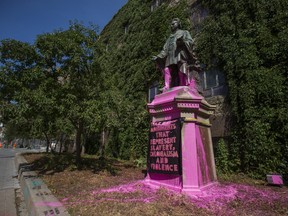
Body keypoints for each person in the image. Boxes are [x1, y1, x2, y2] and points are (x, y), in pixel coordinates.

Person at [152, 18, 200, 92]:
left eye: (173, 24)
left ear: (178, 24)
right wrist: (158, 56)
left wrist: (182, 42)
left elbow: (190, 42)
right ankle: (167, 86)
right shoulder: (169, 38)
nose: (171, 25)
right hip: (170, 56)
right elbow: (165, 49)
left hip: (180, 54)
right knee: (166, 69)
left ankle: (182, 84)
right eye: (171, 24)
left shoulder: (184, 32)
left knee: (181, 68)